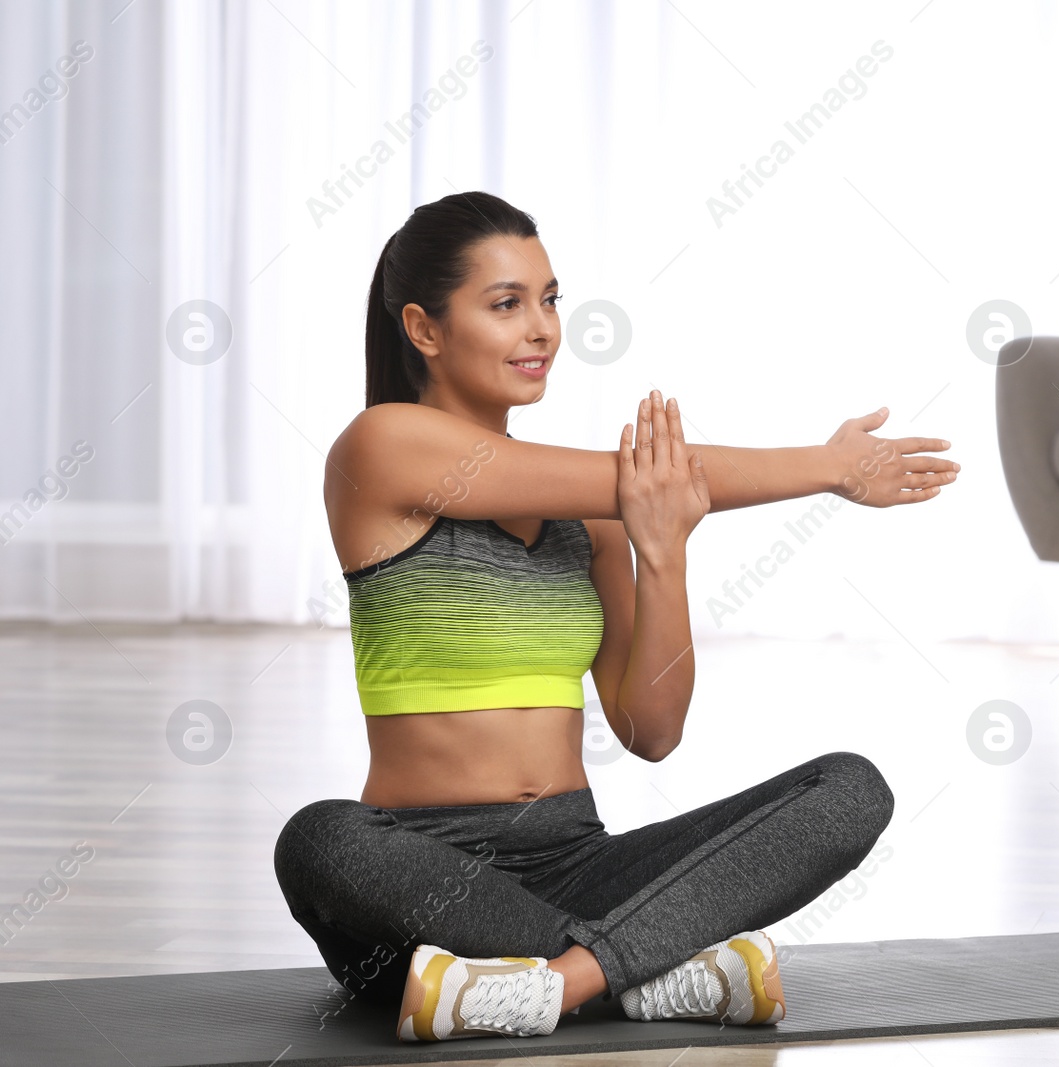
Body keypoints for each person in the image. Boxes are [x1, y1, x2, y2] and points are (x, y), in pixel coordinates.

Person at [271, 191, 960, 1042]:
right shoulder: (381, 448)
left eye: (550, 299)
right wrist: (828, 466)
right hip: (422, 875)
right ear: (424, 329)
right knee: (319, 840)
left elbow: (652, 728)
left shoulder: (591, 518)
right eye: (506, 304)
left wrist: (663, 553)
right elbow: (641, 473)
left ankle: (558, 983)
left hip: (576, 862)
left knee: (850, 789)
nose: (542, 328)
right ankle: (652, 969)